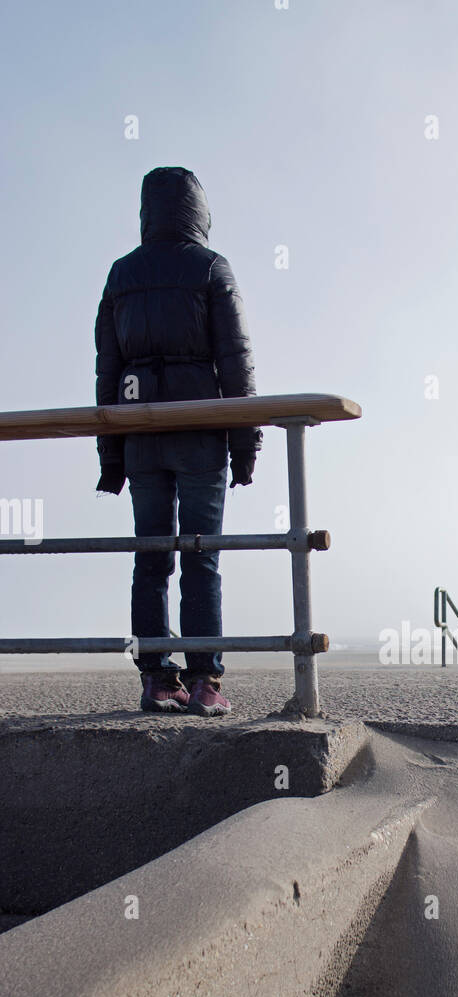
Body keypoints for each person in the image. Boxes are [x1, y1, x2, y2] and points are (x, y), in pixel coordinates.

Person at [94, 166, 262, 715]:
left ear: (147, 212)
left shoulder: (120, 275)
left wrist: (111, 456)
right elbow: (235, 365)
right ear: (199, 212)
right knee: (201, 558)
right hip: (200, 434)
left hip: (141, 436)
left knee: (151, 558)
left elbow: (107, 371)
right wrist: (245, 447)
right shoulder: (211, 268)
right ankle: (206, 680)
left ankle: (158, 679)